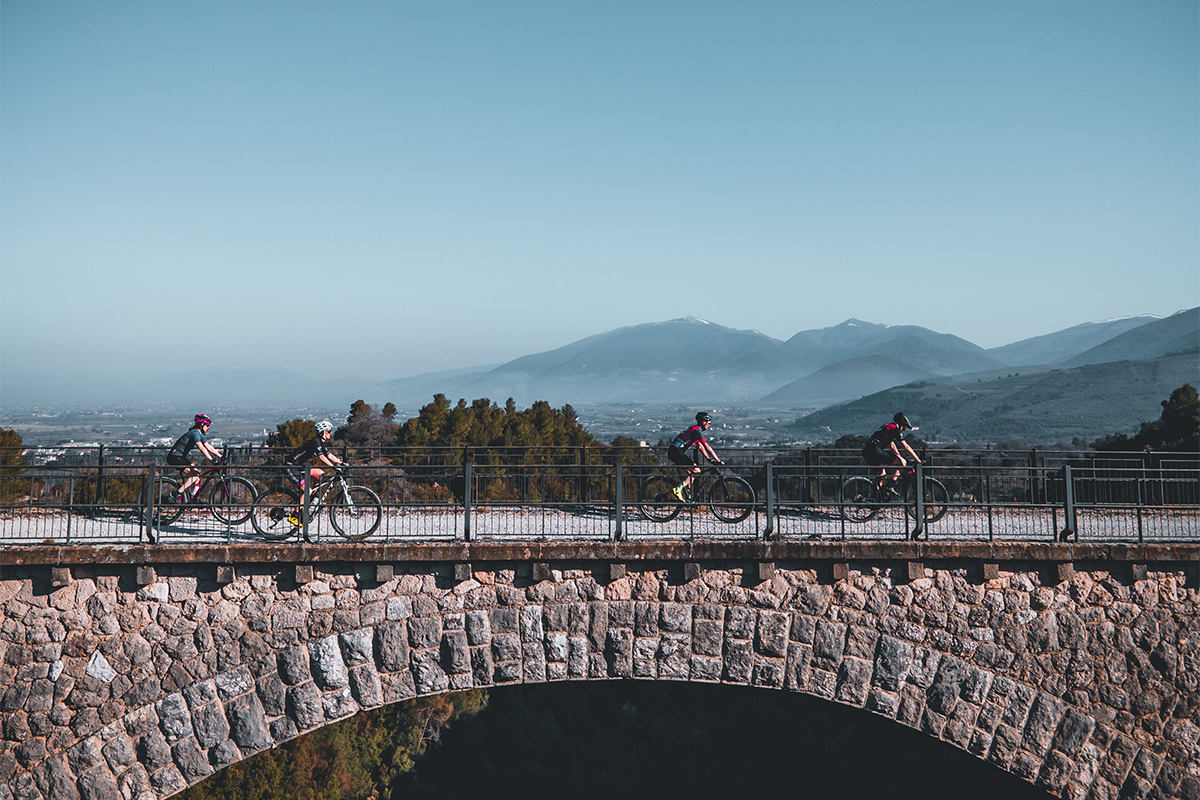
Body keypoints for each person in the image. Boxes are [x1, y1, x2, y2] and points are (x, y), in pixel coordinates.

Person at [667, 411, 723, 500]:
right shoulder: (697, 431)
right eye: (708, 423)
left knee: (692, 474)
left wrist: (709, 459)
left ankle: (689, 497)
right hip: (676, 452)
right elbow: (707, 447)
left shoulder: (694, 429)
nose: (709, 425)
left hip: (675, 452)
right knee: (697, 471)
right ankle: (678, 489)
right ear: (703, 422)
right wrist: (718, 460)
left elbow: (700, 447)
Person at [166, 414, 222, 502]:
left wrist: (221, 456)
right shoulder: (195, 433)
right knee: (196, 475)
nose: (208, 428)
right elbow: (201, 447)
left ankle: (193, 497)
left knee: (198, 473)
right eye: (207, 425)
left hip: (180, 457)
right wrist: (211, 459)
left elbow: (209, 447)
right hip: (174, 457)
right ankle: (176, 493)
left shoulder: (199, 434)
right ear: (202, 425)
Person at [283, 419, 343, 500]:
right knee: (307, 491)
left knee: (320, 474)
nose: (331, 433)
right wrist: (333, 466)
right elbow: (322, 457)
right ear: (322, 432)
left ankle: (312, 498)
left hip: (300, 466)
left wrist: (341, 462)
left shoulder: (321, 443)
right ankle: (299, 512)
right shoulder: (315, 442)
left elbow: (329, 455)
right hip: (291, 466)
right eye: (329, 431)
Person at [862, 412, 921, 493]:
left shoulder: (887, 427)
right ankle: (890, 487)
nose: (903, 431)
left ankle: (875, 498)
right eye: (904, 428)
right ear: (901, 425)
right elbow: (906, 447)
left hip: (867, 451)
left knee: (881, 475)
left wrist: (899, 456)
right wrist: (918, 460)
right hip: (875, 451)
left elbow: (891, 444)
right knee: (902, 462)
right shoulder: (895, 429)